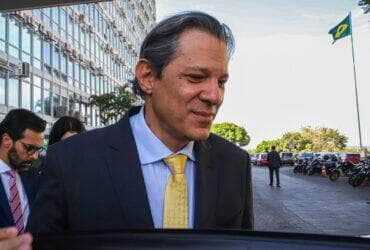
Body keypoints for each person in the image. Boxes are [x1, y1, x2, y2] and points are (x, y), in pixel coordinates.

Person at [28, 11, 253, 234]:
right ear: (147, 77)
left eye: (221, 82)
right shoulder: (69, 161)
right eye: (196, 77)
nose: (215, 96)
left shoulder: (235, 165)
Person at [0, 109, 46, 246]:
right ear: (7, 140)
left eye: (38, 150)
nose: (34, 156)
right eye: (29, 148)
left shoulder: (32, 174)